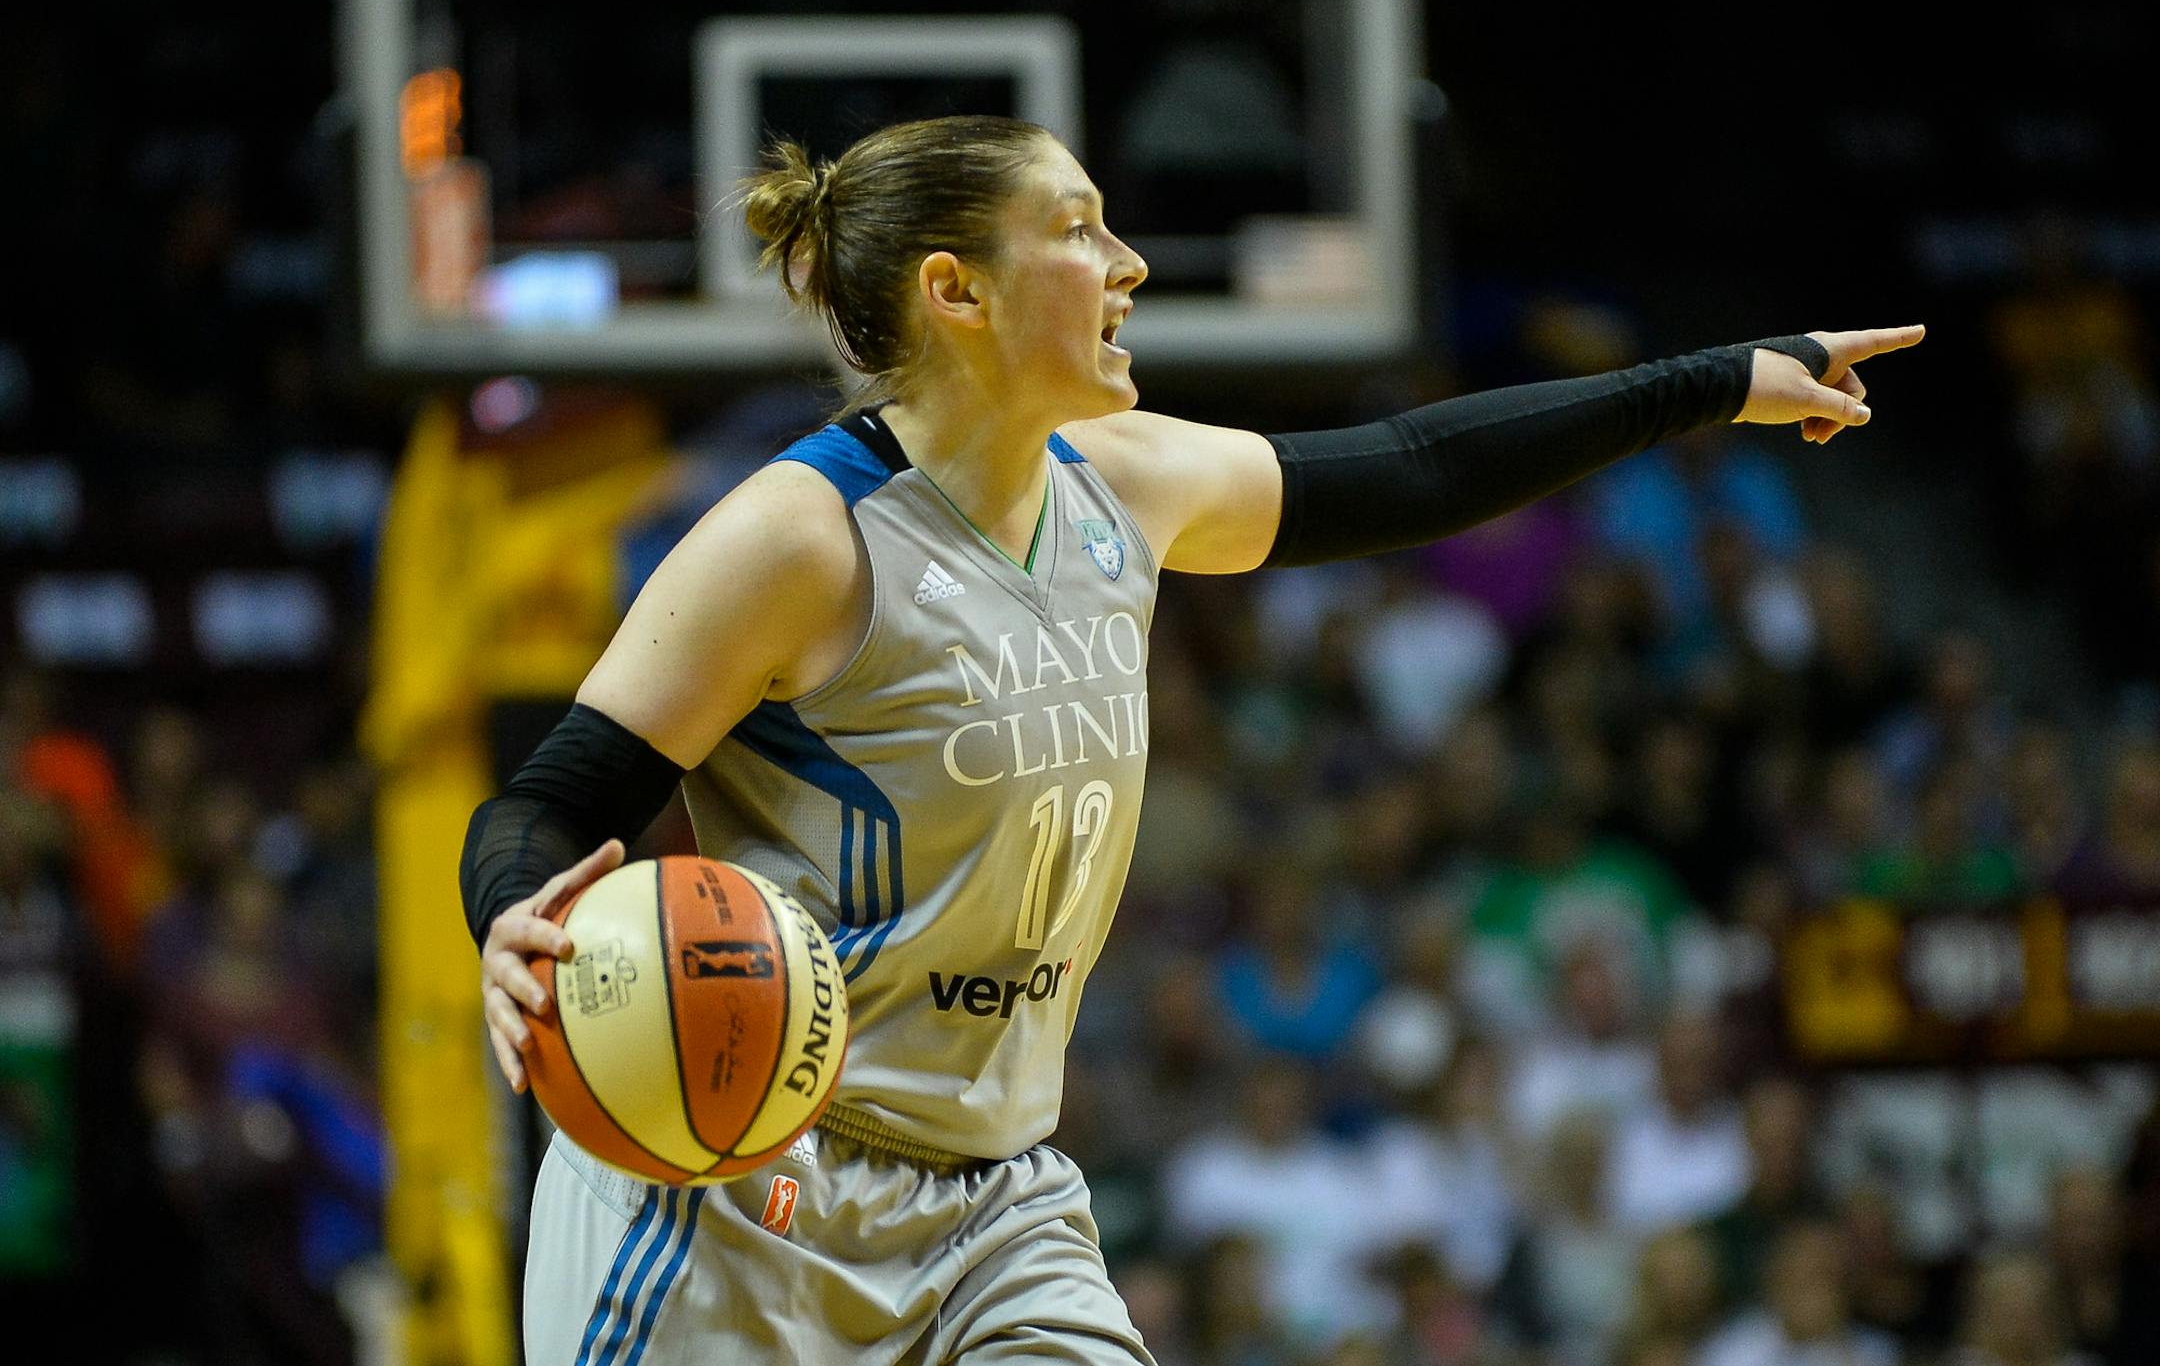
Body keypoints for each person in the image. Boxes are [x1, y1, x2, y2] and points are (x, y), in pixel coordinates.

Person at [456, 114, 1925, 1364]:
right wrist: (514, 916)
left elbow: (1417, 467)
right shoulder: (801, 537)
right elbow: (550, 803)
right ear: (956, 290)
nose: (1130, 265)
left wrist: (1710, 382)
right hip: (739, 1178)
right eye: (1079, 231)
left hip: (993, 1199)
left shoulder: (1129, 485)